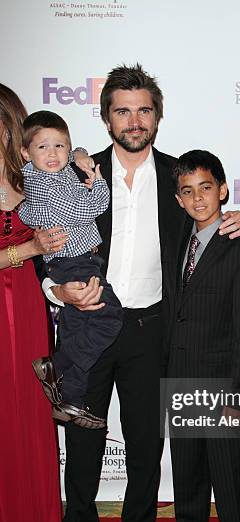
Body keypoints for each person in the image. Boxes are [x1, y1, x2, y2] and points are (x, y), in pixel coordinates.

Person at [43, 64, 240, 522]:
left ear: (157, 115)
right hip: (89, 326)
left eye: (143, 110)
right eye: (122, 110)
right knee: (83, 441)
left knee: (143, 444)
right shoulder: (74, 176)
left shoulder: (179, 177)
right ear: (106, 117)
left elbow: (213, 218)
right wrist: (56, 289)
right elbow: (45, 244)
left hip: (152, 330)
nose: (134, 120)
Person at [168, 150, 240, 522]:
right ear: (178, 199)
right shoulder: (174, 242)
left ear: (223, 190)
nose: (198, 198)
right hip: (181, 378)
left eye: (206, 188)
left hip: (227, 381)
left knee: (232, 474)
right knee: (187, 474)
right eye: (187, 192)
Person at [0, 83, 66, 522]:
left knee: (28, 413)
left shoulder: (29, 174)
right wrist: (27, 251)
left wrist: (80, 159)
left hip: (24, 307)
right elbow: (25, 249)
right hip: (6, 296)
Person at [19, 110, 121, 428]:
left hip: (76, 260)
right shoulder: (47, 185)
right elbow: (88, 208)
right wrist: (99, 182)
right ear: (26, 152)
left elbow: (69, 157)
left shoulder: (52, 172)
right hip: (73, 263)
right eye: (43, 147)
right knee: (109, 317)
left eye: (60, 146)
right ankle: (55, 364)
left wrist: (79, 157)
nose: (53, 154)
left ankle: (70, 402)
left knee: (77, 330)